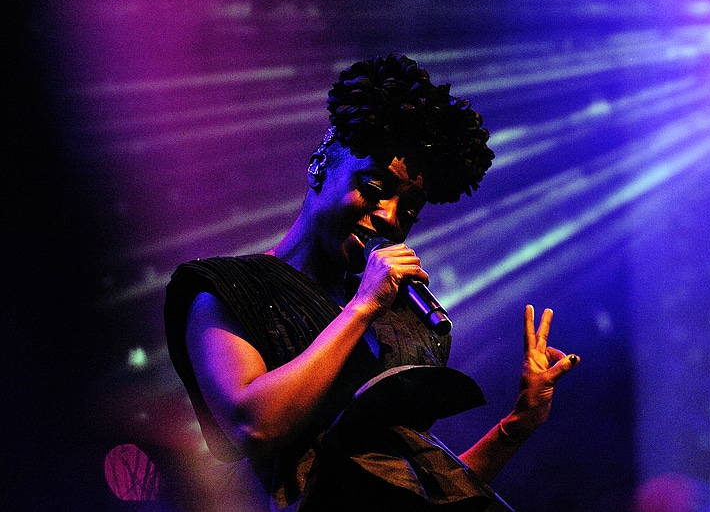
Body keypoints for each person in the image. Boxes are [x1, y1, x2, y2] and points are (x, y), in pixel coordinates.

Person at [164, 54, 580, 511]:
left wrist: (517, 424)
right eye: (375, 188)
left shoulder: (398, 320)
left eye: (410, 210)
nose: (389, 217)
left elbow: (414, 489)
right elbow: (254, 426)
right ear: (320, 165)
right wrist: (361, 307)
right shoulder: (226, 289)